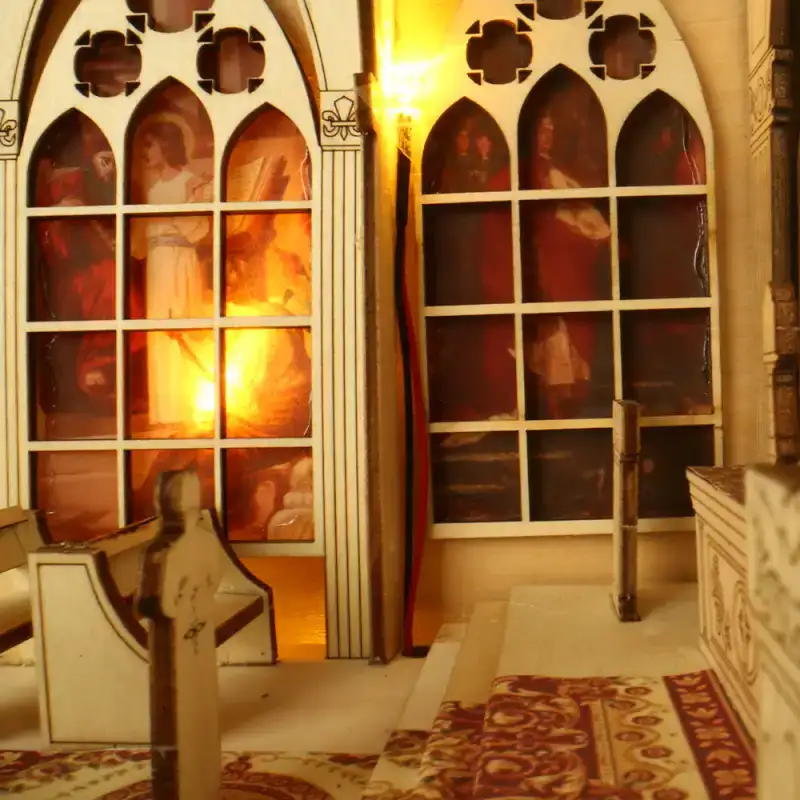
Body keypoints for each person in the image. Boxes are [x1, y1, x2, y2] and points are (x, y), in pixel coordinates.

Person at [524, 111, 611, 419]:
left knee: (570, 341)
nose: (547, 136)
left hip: (567, 262)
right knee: (554, 340)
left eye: (551, 130)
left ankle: (568, 404)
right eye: (542, 129)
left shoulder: (557, 172)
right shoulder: (529, 171)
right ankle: (554, 406)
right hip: (550, 263)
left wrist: (590, 234)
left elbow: (574, 204)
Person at [130, 119, 213, 430]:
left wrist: (195, 197)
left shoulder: (189, 181)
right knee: (159, 332)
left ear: (166, 146)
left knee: (180, 325)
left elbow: (198, 227)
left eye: (150, 146)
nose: (146, 153)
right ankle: (165, 409)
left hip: (180, 260)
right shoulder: (154, 188)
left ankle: (187, 407)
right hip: (158, 263)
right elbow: (146, 232)